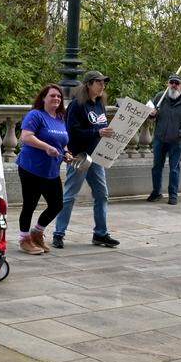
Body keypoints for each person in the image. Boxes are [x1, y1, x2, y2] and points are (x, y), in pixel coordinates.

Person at [52, 71, 120, 249]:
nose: (103, 86)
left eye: (104, 83)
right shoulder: (76, 105)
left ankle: (101, 233)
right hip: (80, 156)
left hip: (96, 156)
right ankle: (58, 233)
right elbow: (72, 132)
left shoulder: (99, 104)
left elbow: (101, 127)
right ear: (89, 84)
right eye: (99, 82)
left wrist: (107, 135)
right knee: (69, 195)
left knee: (101, 194)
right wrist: (96, 132)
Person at [16, 84, 73, 255]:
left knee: (57, 205)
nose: (56, 98)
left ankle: (37, 232)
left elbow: (62, 142)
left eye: (59, 96)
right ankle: (24, 239)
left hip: (51, 170)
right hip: (31, 167)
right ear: (43, 98)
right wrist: (46, 147)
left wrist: (66, 152)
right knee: (29, 204)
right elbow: (25, 137)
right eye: (52, 96)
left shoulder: (60, 118)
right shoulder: (36, 115)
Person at [147, 74, 181, 206]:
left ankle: (173, 195)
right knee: (156, 167)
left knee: (174, 168)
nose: (174, 85)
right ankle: (156, 192)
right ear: (168, 84)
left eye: (177, 83)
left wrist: (180, 132)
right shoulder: (160, 97)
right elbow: (150, 114)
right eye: (172, 82)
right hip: (160, 138)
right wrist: (151, 114)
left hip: (177, 141)